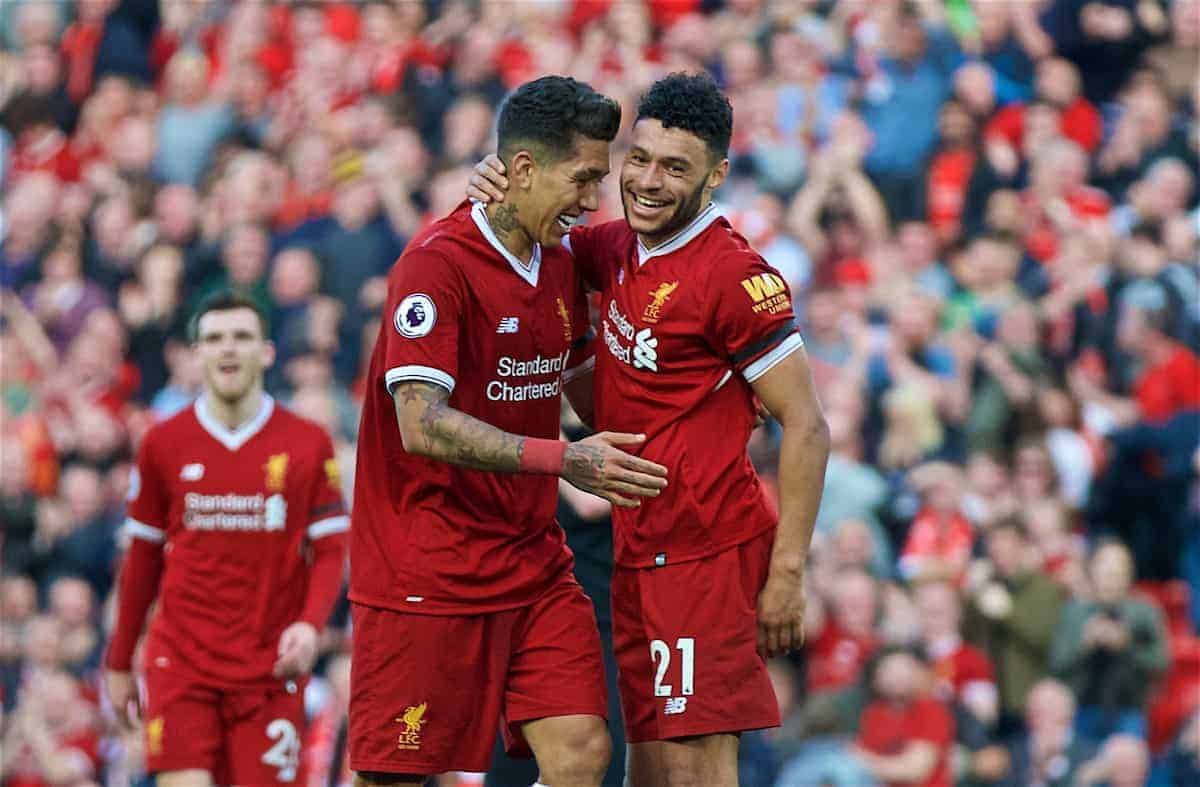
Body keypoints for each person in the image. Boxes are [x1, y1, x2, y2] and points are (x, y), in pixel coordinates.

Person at [468, 71, 830, 787]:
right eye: (639, 158)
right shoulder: (616, 249)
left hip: (707, 551)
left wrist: (788, 572)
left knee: (695, 769)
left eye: (675, 168)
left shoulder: (733, 275)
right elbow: (544, 246)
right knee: (650, 769)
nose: (648, 182)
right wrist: (497, 189)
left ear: (717, 174)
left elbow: (809, 426)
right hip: (639, 553)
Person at [349, 76, 669, 787]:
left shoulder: (557, 263)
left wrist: (701, 406)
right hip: (427, 565)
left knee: (584, 750)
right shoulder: (436, 265)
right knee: (396, 776)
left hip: (531, 562)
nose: (592, 200)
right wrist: (564, 461)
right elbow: (421, 424)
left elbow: (594, 395)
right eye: (582, 178)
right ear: (521, 169)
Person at [103, 291, 349, 786]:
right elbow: (143, 560)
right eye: (214, 339)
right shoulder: (162, 442)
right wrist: (120, 659)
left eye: (241, 337)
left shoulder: (306, 441)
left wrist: (309, 624)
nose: (228, 349)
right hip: (182, 662)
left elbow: (329, 547)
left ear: (267, 351)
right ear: (197, 354)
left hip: (269, 667)